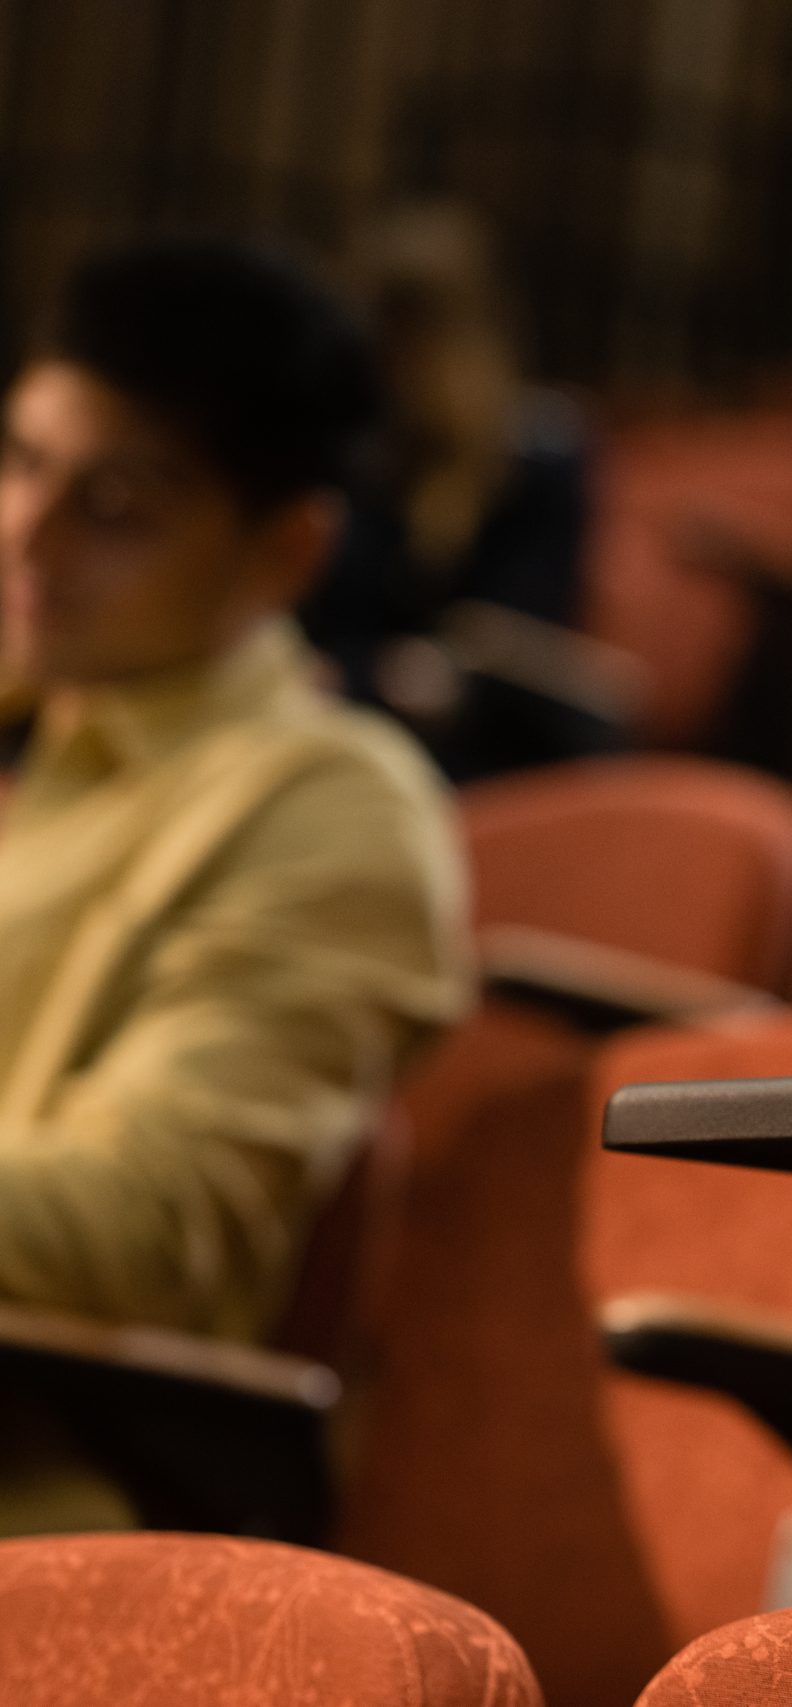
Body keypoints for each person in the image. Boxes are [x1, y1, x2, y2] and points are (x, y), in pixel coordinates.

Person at [0, 237, 472, 1528]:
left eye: (117, 506)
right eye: (24, 461)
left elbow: (143, 1232)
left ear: (287, 553)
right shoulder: (33, 724)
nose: (24, 536)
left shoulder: (330, 809)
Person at [298, 203, 627, 781]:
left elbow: (528, 625)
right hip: (357, 719)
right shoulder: (356, 457)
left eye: (425, 340)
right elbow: (320, 623)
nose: (408, 370)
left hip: (491, 734)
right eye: (390, 343)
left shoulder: (540, 455)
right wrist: (377, 671)